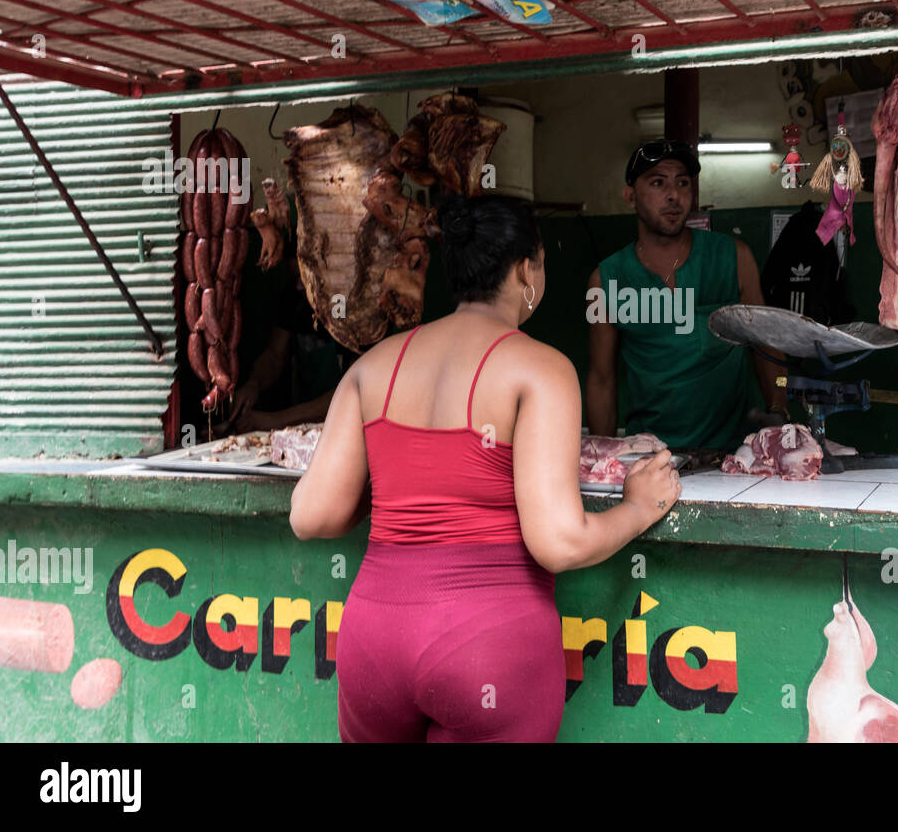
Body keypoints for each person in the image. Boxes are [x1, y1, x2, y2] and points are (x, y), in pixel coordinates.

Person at [289, 193, 682, 742]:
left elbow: (312, 517)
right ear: (527, 268)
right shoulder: (540, 368)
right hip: (488, 646)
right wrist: (639, 508)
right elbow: (560, 542)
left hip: (373, 642)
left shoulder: (371, 366)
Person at [585, 139, 787, 453]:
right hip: (650, 456)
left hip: (734, 453)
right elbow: (601, 379)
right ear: (629, 196)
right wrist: (605, 457)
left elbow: (767, 345)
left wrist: (778, 410)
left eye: (682, 183)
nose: (674, 195)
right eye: (657, 183)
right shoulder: (605, 280)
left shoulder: (734, 258)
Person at [229, 257, 354, 433]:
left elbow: (349, 392)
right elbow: (274, 357)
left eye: (304, 278)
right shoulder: (295, 296)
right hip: (303, 430)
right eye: (295, 277)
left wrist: (275, 420)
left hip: (346, 428)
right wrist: (254, 383)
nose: (298, 286)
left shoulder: (348, 306)